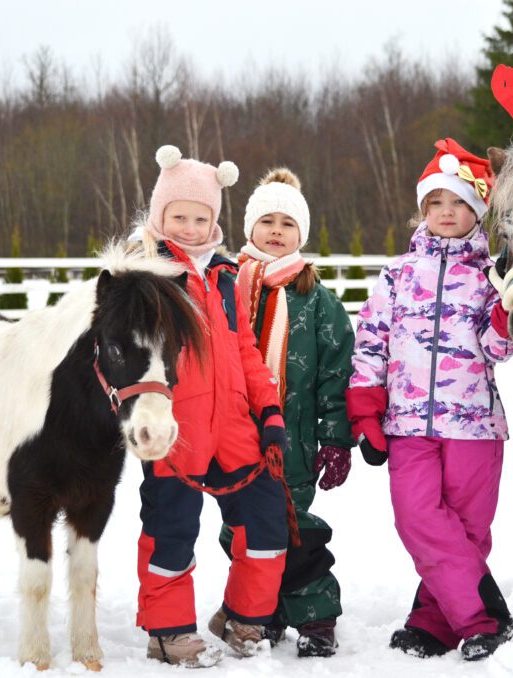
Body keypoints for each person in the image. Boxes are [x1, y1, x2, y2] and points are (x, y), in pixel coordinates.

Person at [346, 138, 513, 661]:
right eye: (436, 203)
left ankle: (431, 622)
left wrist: (508, 309)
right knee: (416, 517)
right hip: (406, 423)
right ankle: (484, 616)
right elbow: (371, 340)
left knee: (466, 531)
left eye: (459, 203)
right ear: (423, 210)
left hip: (475, 427)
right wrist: (365, 410)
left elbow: (498, 349)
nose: (447, 213)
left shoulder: (492, 276)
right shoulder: (398, 274)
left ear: (478, 211)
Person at [132, 145, 290, 667]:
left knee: (265, 526)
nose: (191, 227)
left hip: (236, 428)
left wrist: (268, 413)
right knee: (171, 528)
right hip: (178, 430)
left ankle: (243, 619)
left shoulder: (225, 277)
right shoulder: (147, 275)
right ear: (160, 216)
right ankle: (167, 631)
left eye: (201, 217)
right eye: (179, 216)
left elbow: (245, 351)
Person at [220, 167, 355, 658]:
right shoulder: (227, 288)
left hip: (293, 441)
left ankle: (316, 615)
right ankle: (268, 608)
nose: (276, 231)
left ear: (302, 234)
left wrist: (337, 438)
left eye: (288, 224)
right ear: (249, 228)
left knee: (291, 525)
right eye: (267, 221)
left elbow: (336, 374)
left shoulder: (316, 301)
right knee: (238, 528)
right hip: (234, 436)